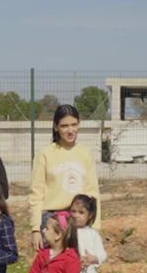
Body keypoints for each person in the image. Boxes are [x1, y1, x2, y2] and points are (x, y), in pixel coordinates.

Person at [28, 104, 100, 251]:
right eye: (64, 126)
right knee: (53, 269)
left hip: (79, 220)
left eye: (74, 125)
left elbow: (93, 192)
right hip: (52, 221)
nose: (70, 130)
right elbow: (36, 194)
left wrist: (95, 227)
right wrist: (35, 229)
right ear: (56, 127)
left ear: (79, 124)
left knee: (78, 270)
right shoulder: (45, 154)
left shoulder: (85, 153)